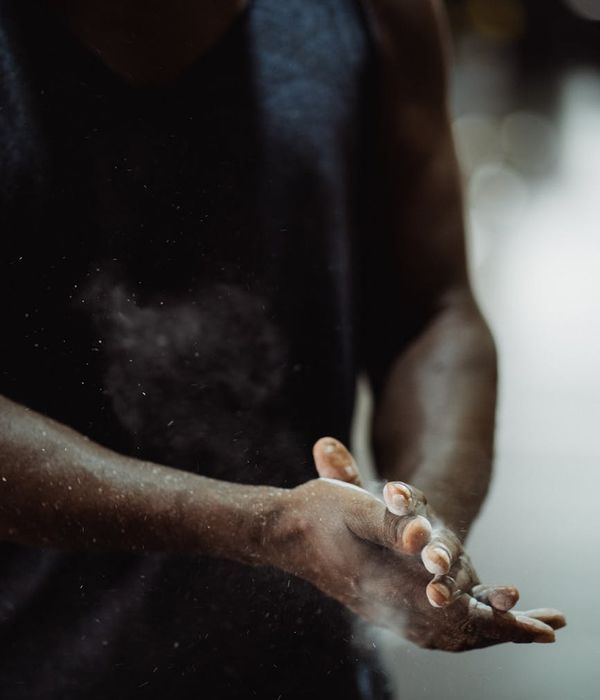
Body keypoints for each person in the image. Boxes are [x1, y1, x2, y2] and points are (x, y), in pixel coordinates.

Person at [0, 0, 565, 698]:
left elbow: (434, 311)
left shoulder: (377, 17)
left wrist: (419, 529)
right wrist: (268, 527)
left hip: (308, 675)